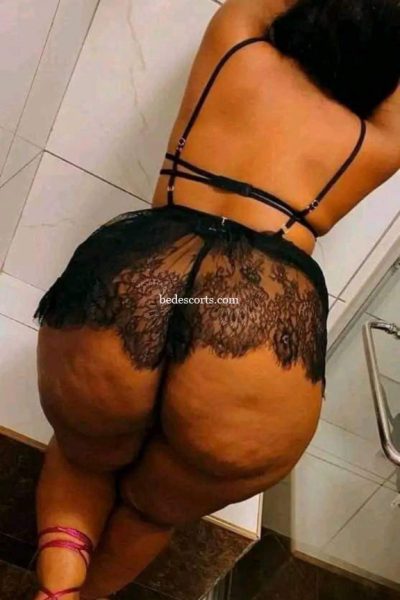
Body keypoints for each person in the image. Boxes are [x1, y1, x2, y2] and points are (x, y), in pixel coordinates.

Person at [31, 0, 400, 598]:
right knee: (151, 511)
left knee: (81, 459)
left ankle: (56, 591)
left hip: (141, 278)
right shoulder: (381, 138)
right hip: (253, 323)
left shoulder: (236, 41)